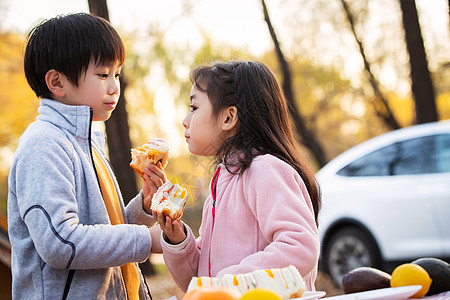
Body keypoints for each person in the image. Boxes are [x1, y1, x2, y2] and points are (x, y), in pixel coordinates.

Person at [7, 13, 162, 299]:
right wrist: (145, 240)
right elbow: (61, 242)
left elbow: (105, 232)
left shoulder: (88, 144)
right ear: (57, 82)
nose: (115, 86)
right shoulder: (43, 145)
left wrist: (145, 208)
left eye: (116, 74)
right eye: (103, 74)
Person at [152, 60, 321, 292]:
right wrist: (177, 240)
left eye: (194, 108)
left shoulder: (265, 170)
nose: (185, 120)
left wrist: (229, 282)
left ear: (228, 118)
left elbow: (299, 246)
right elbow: (199, 285)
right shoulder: (220, 182)